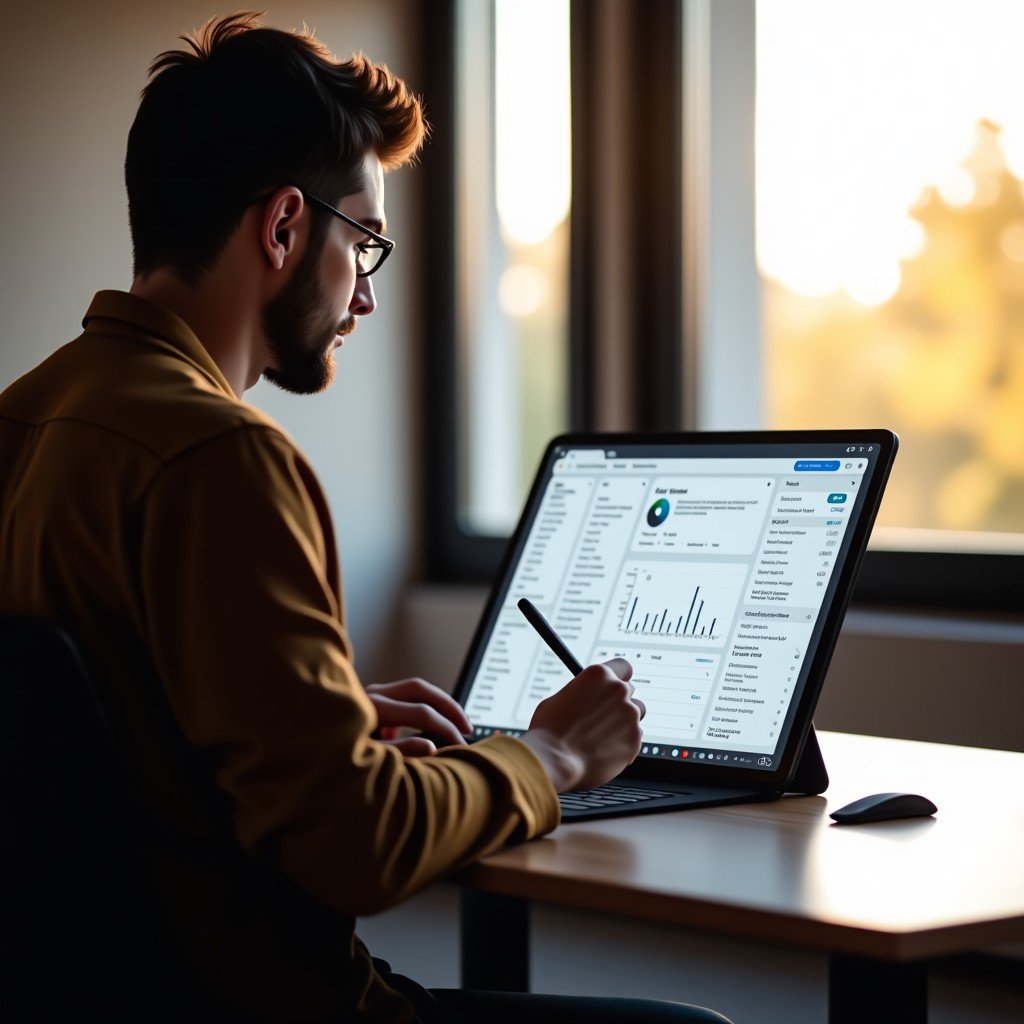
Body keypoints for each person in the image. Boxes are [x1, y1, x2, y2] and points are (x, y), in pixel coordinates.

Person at [0, 12, 731, 1024]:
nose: (366, 297)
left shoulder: (26, 417)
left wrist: (319, 725)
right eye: (365, 242)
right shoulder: (222, 459)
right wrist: (553, 756)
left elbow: (107, 753)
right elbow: (358, 848)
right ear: (284, 227)